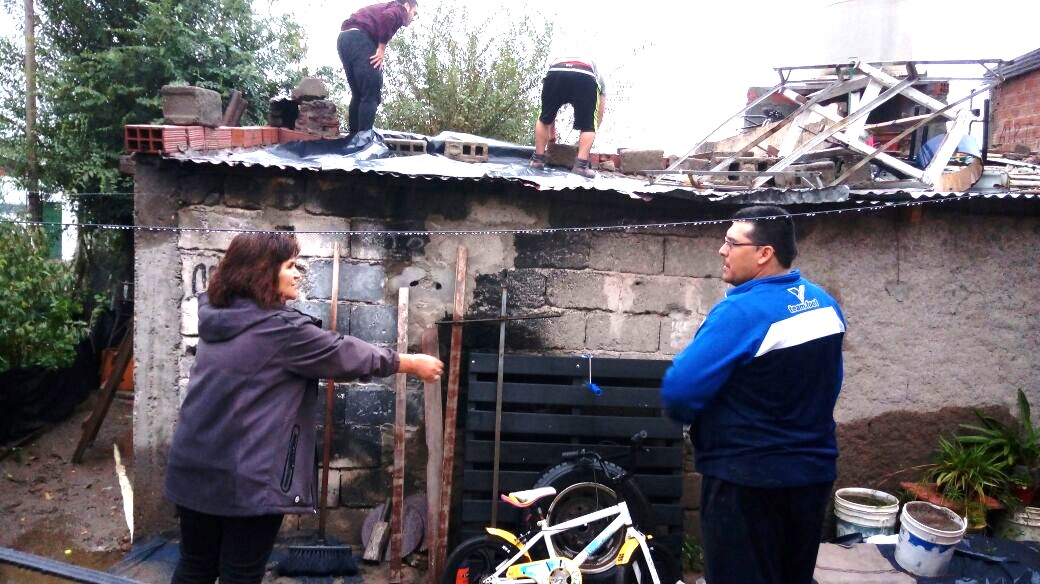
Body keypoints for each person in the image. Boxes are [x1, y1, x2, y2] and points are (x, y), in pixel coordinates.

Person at [165, 232, 442, 584]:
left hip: (193, 468)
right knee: (240, 573)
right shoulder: (280, 331)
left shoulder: (219, 318)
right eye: (291, 266)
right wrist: (408, 362)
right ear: (262, 272)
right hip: (246, 481)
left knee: (195, 565)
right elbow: (343, 353)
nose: (299, 274)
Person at [660, 205, 846, 584]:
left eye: (732, 242)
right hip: (811, 478)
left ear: (764, 254)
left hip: (746, 484)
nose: (721, 250)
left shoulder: (742, 313)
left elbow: (679, 391)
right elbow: (830, 384)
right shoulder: (825, 304)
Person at [337, 0, 419, 134]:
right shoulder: (399, 9)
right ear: (407, 6)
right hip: (359, 39)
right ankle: (363, 142)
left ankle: (353, 139)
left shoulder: (384, 7)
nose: (414, 18)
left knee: (359, 94)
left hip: (344, 40)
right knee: (371, 92)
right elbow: (388, 17)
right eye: (414, 13)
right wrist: (381, 48)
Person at [529, 57, 607, 178]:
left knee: (544, 117)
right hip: (584, 74)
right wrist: (591, 130)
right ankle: (580, 166)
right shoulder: (598, 75)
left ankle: (537, 160)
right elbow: (598, 115)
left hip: (555, 71)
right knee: (588, 125)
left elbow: (549, 113)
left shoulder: (559, 58)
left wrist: (552, 135)